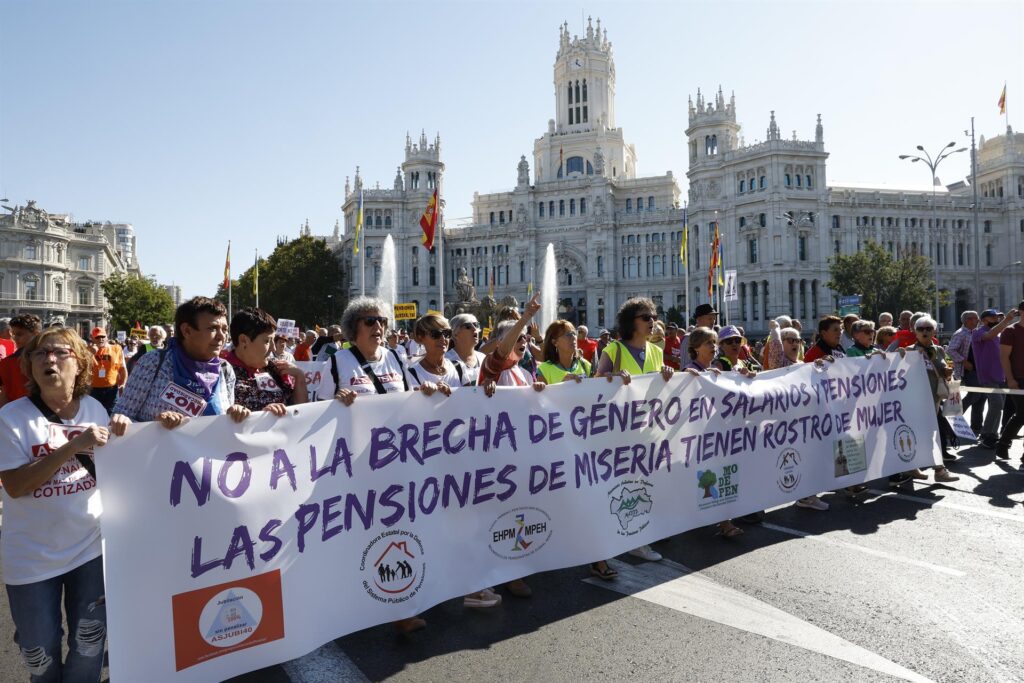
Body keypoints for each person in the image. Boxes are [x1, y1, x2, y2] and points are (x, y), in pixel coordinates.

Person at [0, 327, 128, 682]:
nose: (49, 359)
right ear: (30, 365)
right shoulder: (11, 418)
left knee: (89, 645)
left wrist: (128, 430)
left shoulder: (95, 409)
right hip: (31, 558)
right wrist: (71, 447)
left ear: (80, 364)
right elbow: (16, 486)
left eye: (60, 352)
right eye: (40, 354)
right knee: (39, 654)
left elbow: (114, 471)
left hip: (89, 550)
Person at [596, 297, 674, 562]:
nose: (652, 322)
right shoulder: (614, 350)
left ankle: (638, 535)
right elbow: (596, 386)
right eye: (646, 317)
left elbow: (660, 391)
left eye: (654, 317)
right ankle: (631, 538)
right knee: (626, 486)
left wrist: (667, 375)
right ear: (631, 322)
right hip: (620, 433)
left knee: (644, 485)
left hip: (648, 431)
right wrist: (612, 379)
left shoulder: (656, 351)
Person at [479, 295, 546, 599]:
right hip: (497, 455)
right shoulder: (493, 367)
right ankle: (501, 571)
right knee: (500, 514)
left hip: (521, 453)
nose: (523, 342)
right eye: (518, 338)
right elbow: (502, 351)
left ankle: (513, 566)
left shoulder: (524, 371)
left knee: (518, 511)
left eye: (526, 338)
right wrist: (525, 317)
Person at [112, 296, 249, 429]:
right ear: (186, 331)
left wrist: (235, 416)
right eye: (212, 328)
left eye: (225, 329)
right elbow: (120, 418)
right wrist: (155, 426)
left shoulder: (225, 369)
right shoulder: (153, 362)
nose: (221, 336)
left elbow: (225, 425)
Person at [906, 315, 959, 482]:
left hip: (935, 398)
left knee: (927, 434)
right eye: (921, 329)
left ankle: (913, 467)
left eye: (928, 328)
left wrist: (947, 372)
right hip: (916, 400)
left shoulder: (940, 350)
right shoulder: (908, 351)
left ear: (934, 331)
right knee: (928, 434)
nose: (925, 331)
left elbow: (946, 368)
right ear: (915, 332)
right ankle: (939, 470)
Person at [224, 308, 307, 413]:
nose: (273, 348)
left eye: (273, 340)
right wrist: (263, 416)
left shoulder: (276, 368)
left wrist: (299, 376)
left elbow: (300, 412)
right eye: (267, 341)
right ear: (243, 340)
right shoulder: (222, 373)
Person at [971, 308, 1015, 448]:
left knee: (998, 406)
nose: (997, 319)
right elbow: (989, 335)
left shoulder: (998, 333)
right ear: (984, 320)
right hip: (988, 375)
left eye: (998, 317)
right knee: (996, 404)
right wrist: (1007, 319)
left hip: (1001, 375)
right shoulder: (978, 332)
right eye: (994, 317)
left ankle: (993, 434)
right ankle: (986, 434)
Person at [995, 302, 1024, 462]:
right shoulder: (1010, 331)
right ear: (1021, 312)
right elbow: (1004, 357)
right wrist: (1011, 379)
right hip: (1018, 378)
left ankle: (1004, 445)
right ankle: (1003, 444)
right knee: (1022, 414)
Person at [404, 315, 461, 391]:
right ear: (420, 337)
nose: (443, 338)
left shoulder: (459, 367)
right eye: (435, 334)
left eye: (447, 333)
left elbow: (472, 395)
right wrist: (422, 392)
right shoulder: (412, 373)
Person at [0, 313, 43, 407]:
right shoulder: (7, 363)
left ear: (36, 334)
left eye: (19, 334)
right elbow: (4, 394)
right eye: (14, 334)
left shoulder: (47, 360)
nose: (15, 338)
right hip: (16, 412)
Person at [537, 320, 592, 385]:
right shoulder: (544, 370)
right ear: (555, 342)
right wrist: (563, 385)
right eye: (568, 335)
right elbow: (542, 392)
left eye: (574, 333)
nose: (573, 337)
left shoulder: (586, 365)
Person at [88, 327, 126, 415]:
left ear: (107, 337)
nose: (100, 339)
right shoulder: (87, 350)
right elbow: (82, 367)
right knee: (96, 414)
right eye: (97, 337)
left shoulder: (116, 348)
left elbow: (122, 368)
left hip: (112, 388)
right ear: (93, 339)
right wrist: (90, 354)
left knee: (111, 413)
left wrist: (123, 383)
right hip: (94, 389)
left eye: (102, 336)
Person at [446, 313, 487, 386]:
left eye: (476, 325)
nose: (474, 329)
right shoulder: (446, 360)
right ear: (455, 334)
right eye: (468, 326)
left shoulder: (483, 358)